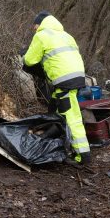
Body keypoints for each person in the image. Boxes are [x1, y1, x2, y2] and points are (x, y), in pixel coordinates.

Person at [22, 11, 91, 164]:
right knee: (54, 107)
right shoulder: (66, 35)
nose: (33, 29)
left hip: (64, 81)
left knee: (72, 117)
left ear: (40, 24)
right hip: (78, 77)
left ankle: (82, 155)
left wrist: (23, 54)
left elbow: (29, 61)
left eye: (34, 26)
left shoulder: (41, 35)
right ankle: (55, 137)